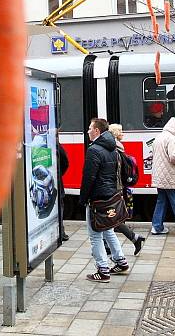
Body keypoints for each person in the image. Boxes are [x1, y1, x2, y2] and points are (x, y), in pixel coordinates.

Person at [80, 118, 129, 282]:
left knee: (95, 235)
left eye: (89, 128)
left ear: (97, 131)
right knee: (108, 229)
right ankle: (121, 261)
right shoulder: (112, 147)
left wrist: (83, 198)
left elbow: (89, 177)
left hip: (97, 197)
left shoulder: (94, 150)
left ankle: (102, 270)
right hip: (110, 195)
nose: (87, 131)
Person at [108, 124, 144, 254]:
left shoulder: (114, 149)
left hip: (115, 189)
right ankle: (134, 239)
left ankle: (133, 239)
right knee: (111, 218)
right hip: (120, 187)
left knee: (110, 218)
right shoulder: (119, 148)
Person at [55, 129, 69, 241]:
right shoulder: (57, 145)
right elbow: (65, 162)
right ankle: (61, 232)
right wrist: (59, 174)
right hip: (57, 184)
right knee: (60, 207)